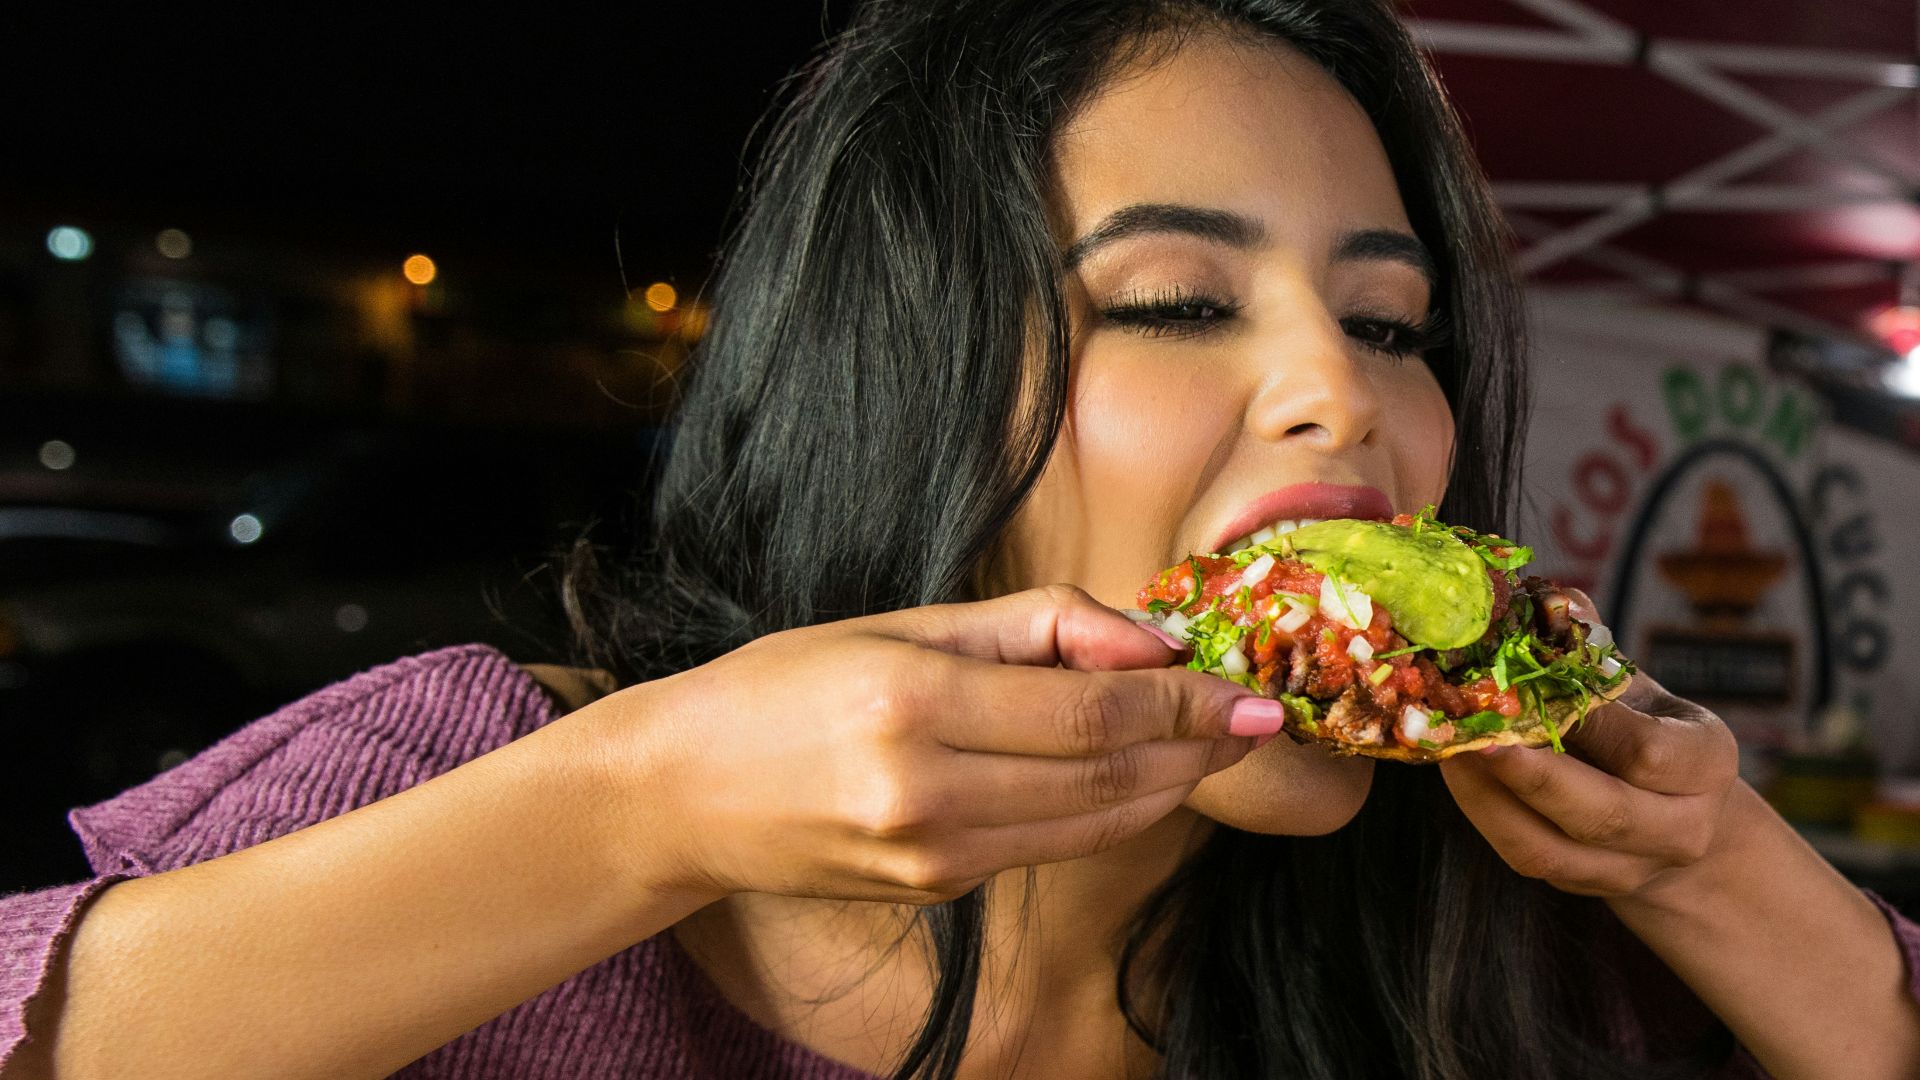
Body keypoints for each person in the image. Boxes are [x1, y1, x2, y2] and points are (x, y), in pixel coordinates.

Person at [5, 1, 1919, 1077]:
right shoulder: (478, 782)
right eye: (1175, 301)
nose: (1348, 396)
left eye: (1396, 322)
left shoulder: (1490, 946)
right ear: (897, 376)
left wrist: (1719, 869)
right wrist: (637, 813)